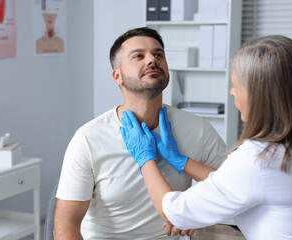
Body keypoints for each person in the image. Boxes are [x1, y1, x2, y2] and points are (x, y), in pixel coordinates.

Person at [120, 35, 292, 240]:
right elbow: (234, 184)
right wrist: (181, 161)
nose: (231, 93)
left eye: (236, 86)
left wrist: (145, 158)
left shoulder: (258, 158)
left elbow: (174, 211)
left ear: (258, 96)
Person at [54, 27, 227, 239]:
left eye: (158, 54)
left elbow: (232, 188)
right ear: (117, 76)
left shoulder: (198, 129)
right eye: (138, 56)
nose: (152, 60)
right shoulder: (89, 139)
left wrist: (198, 211)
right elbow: (66, 226)